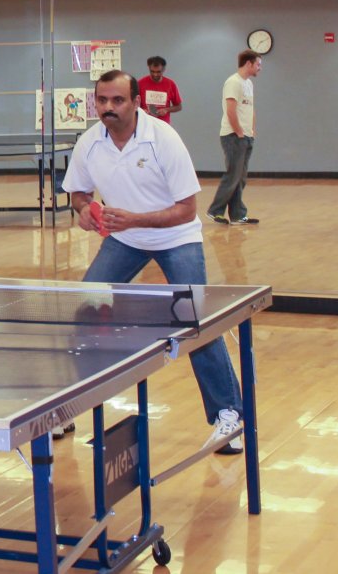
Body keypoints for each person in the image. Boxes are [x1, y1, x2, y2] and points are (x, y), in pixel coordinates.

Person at [61, 69, 244, 454]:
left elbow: (186, 210)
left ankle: (230, 414)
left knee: (196, 322)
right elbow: (77, 190)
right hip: (124, 239)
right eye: (102, 100)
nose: (108, 108)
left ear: (135, 102)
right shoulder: (89, 142)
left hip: (175, 237)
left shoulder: (163, 138)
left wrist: (134, 219)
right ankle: (65, 407)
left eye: (117, 100)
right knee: (82, 313)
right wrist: (83, 209)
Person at [206, 49, 261, 225]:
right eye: (258, 65)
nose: (260, 68)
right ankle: (215, 211)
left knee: (241, 177)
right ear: (248, 64)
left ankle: (238, 215)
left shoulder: (249, 84)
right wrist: (238, 132)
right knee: (233, 175)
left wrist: (251, 130)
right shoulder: (233, 82)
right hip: (233, 136)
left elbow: (250, 109)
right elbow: (230, 110)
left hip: (246, 136)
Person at [136, 55, 182, 124]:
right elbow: (132, 104)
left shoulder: (170, 84)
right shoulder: (140, 83)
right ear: (149, 68)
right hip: (145, 123)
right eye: (152, 71)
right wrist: (141, 111)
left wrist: (166, 110)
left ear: (163, 70)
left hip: (163, 125)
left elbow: (179, 106)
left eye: (158, 72)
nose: (155, 74)